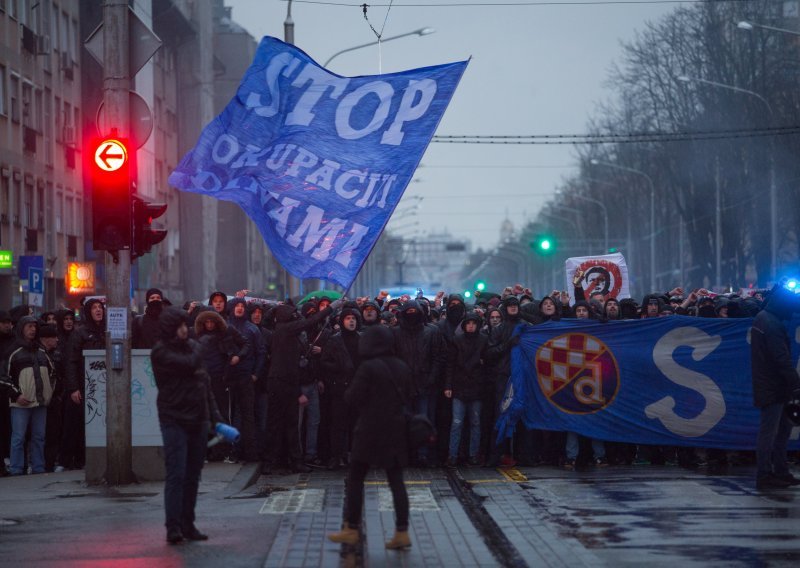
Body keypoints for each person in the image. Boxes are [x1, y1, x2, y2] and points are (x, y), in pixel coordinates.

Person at [328, 325, 413, 550]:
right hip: (395, 429)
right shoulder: (402, 366)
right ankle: (402, 532)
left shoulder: (368, 367)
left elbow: (352, 397)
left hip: (369, 430)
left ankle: (352, 528)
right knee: (396, 482)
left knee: (356, 479)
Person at [150, 306, 224, 544]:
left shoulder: (194, 348)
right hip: (174, 419)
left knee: (193, 475)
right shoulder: (161, 352)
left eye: (186, 325)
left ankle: (188, 524)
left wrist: (215, 417)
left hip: (198, 419)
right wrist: (204, 344)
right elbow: (189, 364)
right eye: (181, 326)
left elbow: (206, 386)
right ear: (171, 329)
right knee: (176, 474)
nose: (185, 329)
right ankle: (173, 527)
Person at [751, 283, 800, 490]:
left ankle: (779, 471)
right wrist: (796, 384)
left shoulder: (763, 319)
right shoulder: (772, 324)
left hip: (770, 385)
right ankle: (765, 474)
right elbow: (781, 358)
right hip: (775, 386)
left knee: (780, 432)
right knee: (772, 434)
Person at [0, 316, 56, 475]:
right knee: (18, 438)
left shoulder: (41, 352)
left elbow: (53, 375)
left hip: (40, 402)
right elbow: (3, 378)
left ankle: (38, 467)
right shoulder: (13, 351)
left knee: (39, 437)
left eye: (34, 327)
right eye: (29, 326)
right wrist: (16, 395)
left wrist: (48, 394)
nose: (32, 329)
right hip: (20, 403)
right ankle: (16, 469)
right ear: (21, 329)